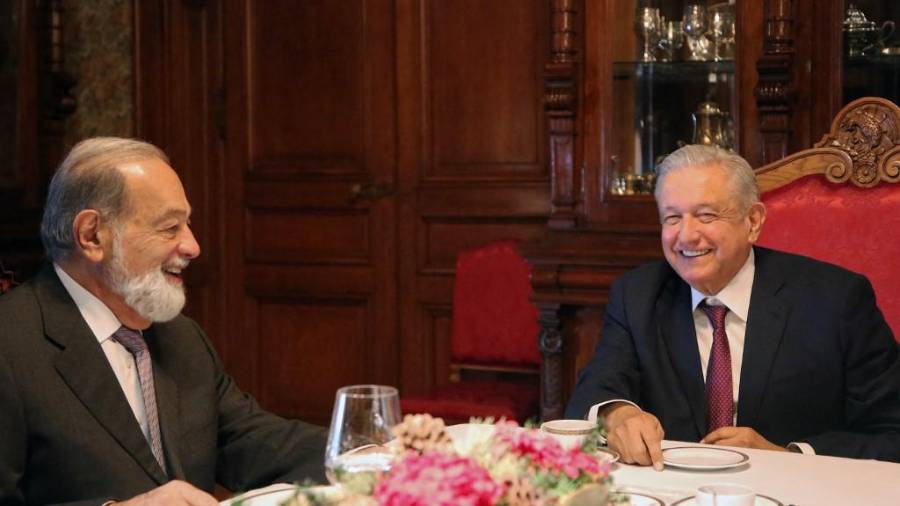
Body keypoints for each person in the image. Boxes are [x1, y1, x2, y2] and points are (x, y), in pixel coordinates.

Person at [0, 138, 326, 505]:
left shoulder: (179, 335)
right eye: (170, 227)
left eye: (188, 224)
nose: (193, 246)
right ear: (92, 236)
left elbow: (247, 439)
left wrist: (364, 454)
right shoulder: (10, 347)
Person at [565, 145, 900, 468]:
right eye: (672, 217)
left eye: (706, 215)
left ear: (753, 221)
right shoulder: (637, 295)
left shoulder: (835, 300)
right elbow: (594, 389)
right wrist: (617, 414)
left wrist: (786, 455)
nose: (686, 235)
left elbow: (891, 431)